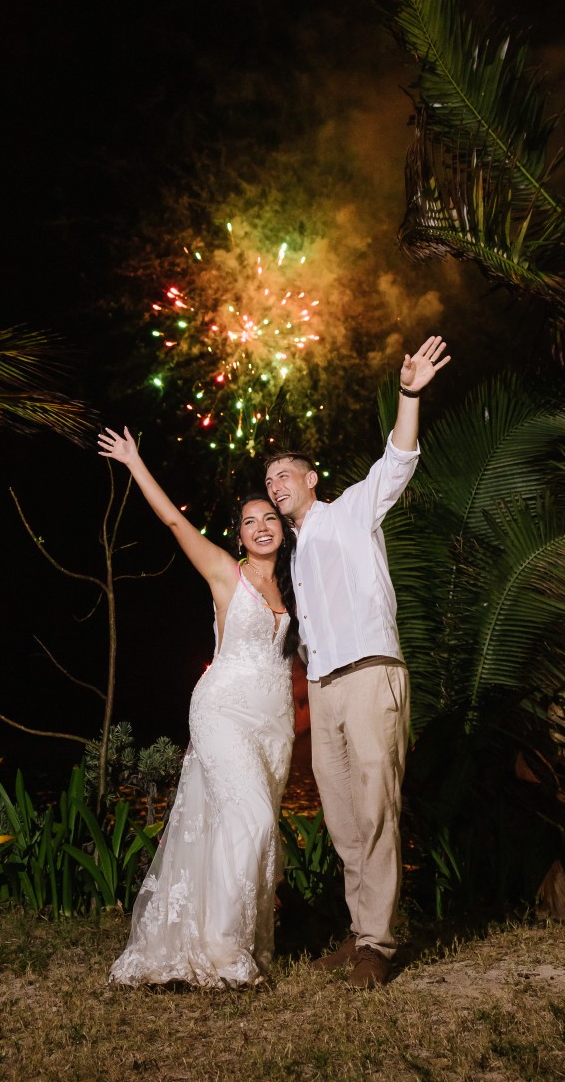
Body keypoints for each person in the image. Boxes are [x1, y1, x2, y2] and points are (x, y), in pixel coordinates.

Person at [264, 334, 451, 988]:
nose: (275, 485)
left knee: (375, 808)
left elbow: (398, 458)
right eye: (267, 482)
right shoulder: (293, 556)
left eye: (284, 474)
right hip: (326, 688)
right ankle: (360, 929)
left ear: (310, 479)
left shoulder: (350, 513)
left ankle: (380, 943)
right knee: (343, 817)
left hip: (371, 676)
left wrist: (408, 393)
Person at [98, 426, 298, 988]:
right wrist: (135, 463)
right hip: (224, 712)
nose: (261, 527)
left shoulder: (294, 587)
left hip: (273, 724)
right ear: (238, 535)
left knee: (233, 824)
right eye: (250, 521)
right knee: (251, 817)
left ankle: (222, 934)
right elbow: (174, 522)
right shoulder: (225, 575)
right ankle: (220, 944)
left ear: (283, 529)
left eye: (270, 519)